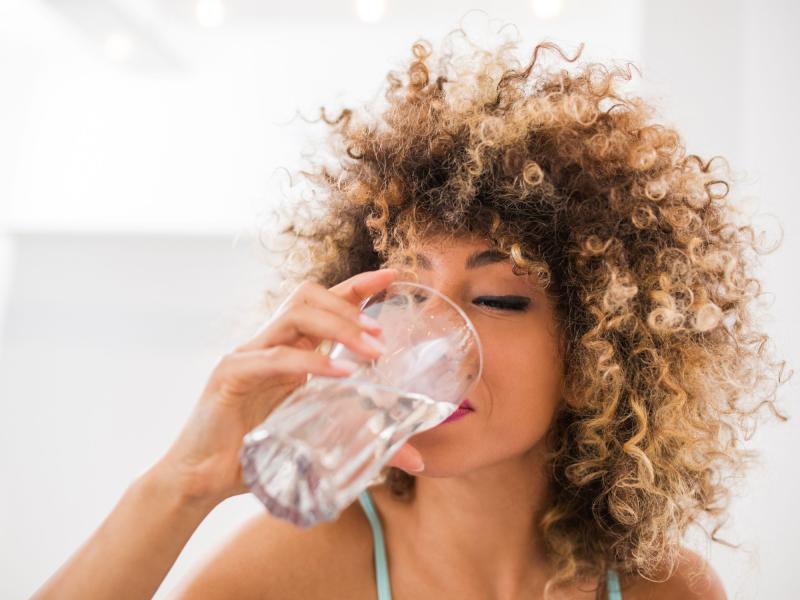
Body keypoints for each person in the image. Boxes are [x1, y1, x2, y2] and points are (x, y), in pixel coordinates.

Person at [33, 27, 789, 600]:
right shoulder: (293, 571)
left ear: (597, 359)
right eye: (406, 293)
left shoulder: (668, 588)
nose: (431, 337)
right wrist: (183, 484)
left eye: (496, 299)